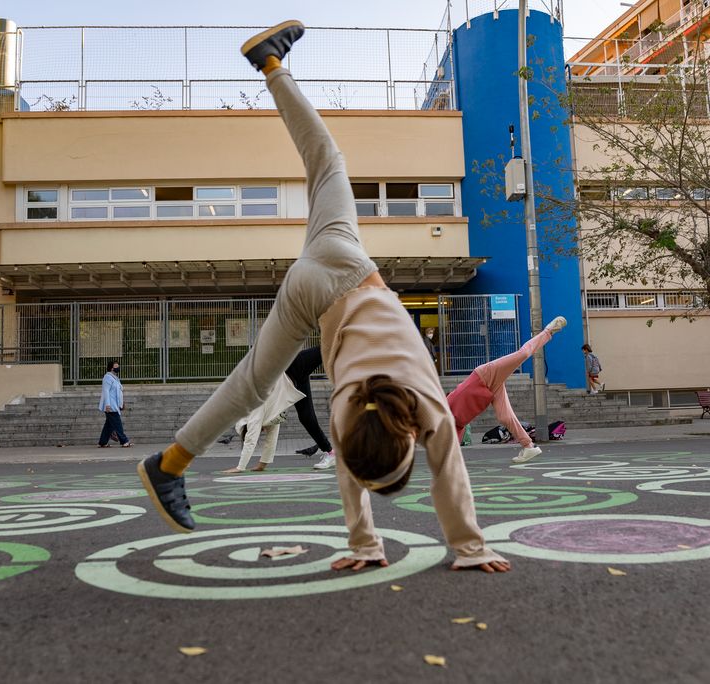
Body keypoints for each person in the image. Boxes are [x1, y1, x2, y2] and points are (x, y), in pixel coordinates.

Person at [137, 21, 508, 573]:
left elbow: (439, 469)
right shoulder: (352, 413)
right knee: (255, 381)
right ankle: (171, 460)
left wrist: (375, 548)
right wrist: (464, 550)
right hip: (320, 282)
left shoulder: (414, 410)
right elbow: (396, 475)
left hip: (341, 265)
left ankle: (271, 65)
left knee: (326, 161)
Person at [448, 317, 566, 464]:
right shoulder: (455, 426)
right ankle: (529, 446)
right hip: (489, 389)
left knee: (522, 354)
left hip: (484, 375)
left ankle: (549, 330)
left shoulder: (442, 411)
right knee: (505, 417)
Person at [222, 373, 305, 473]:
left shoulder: (254, 412)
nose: (262, 431)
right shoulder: (269, 414)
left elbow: (251, 440)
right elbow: (272, 439)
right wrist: (262, 465)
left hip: (289, 373)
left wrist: (240, 467)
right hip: (289, 378)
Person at [285, 346, 337, 470]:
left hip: (294, 365)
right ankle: (330, 453)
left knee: (328, 348)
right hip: (295, 381)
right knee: (305, 417)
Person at [98, 360, 132, 448]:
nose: (118, 368)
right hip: (110, 405)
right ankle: (124, 441)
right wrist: (108, 405)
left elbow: (119, 392)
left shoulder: (115, 378)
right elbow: (106, 392)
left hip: (115, 405)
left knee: (109, 425)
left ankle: (103, 442)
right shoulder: (107, 378)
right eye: (116, 367)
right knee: (117, 424)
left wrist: (122, 403)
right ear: (111, 368)